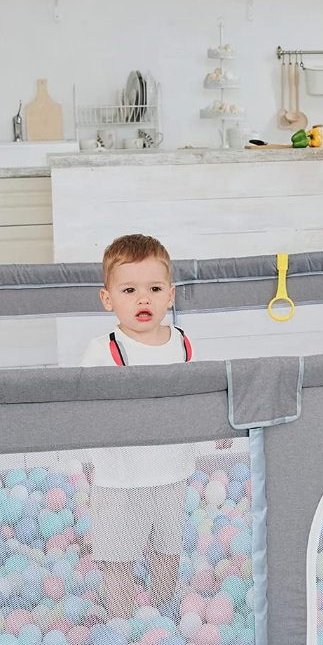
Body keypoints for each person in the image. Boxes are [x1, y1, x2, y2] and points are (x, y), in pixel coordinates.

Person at [80, 233, 227, 619]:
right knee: (117, 557)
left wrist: (216, 426)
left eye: (154, 289)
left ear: (170, 295)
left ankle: (163, 611)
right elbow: (83, 406)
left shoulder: (183, 343)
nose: (143, 299)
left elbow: (198, 394)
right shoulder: (104, 350)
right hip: (120, 479)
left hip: (172, 473)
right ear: (108, 299)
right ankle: (121, 621)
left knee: (167, 550)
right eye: (129, 290)